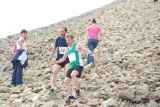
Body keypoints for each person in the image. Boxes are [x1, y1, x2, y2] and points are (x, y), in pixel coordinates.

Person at [55, 32, 89, 104]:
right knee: (66, 81)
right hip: (72, 66)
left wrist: (90, 53)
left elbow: (84, 49)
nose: (67, 41)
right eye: (66, 39)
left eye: (68, 39)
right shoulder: (67, 49)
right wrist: (55, 62)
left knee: (73, 75)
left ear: (72, 39)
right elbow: (63, 59)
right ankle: (70, 96)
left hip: (79, 65)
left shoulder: (76, 45)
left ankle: (76, 91)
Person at [49, 27, 69, 91]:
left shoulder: (68, 39)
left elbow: (71, 48)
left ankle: (68, 87)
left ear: (65, 32)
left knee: (67, 72)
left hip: (67, 59)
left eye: (62, 31)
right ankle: (53, 86)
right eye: (60, 31)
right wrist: (51, 56)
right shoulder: (58, 39)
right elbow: (54, 48)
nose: (61, 33)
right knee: (54, 71)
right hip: (59, 59)